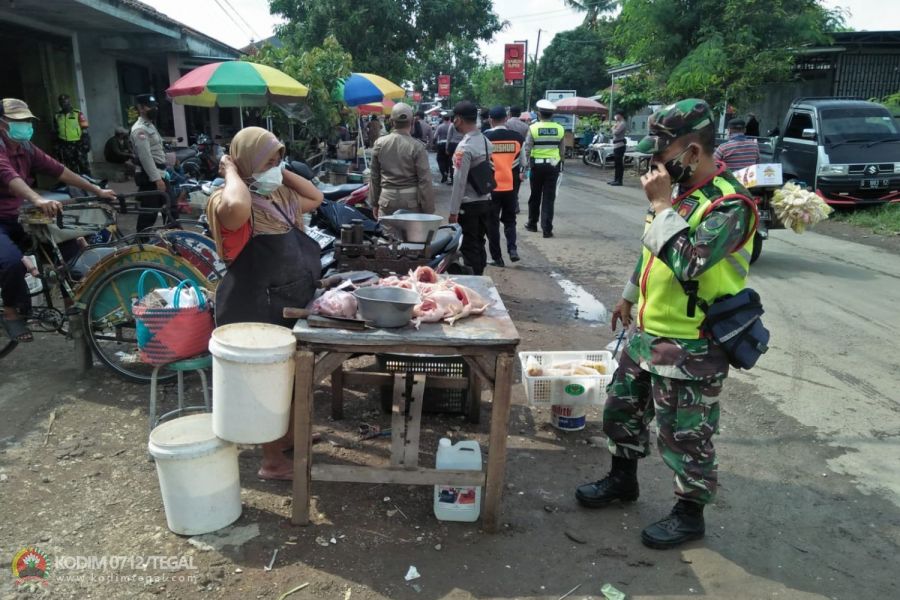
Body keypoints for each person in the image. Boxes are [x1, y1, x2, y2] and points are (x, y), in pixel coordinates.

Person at [575, 99, 758, 550]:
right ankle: (622, 479)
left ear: (693, 152)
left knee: (685, 435)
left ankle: (689, 514)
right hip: (647, 333)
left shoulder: (730, 204)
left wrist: (660, 206)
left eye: (663, 151)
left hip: (693, 344)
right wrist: (629, 295)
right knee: (622, 412)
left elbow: (689, 262)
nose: (654, 163)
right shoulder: (679, 195)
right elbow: (650, 252)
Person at [206, 126, 324, 481]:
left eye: (278, 160)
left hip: (287, 297)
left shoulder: (279, 196)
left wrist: (277, 170)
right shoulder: (228, 201)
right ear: (245, 163)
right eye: (268, 161)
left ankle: (287, 436)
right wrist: (231, 171)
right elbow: (237, 207)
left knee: (292, 375)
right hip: (255, 304)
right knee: (268, 383)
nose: (275, 167)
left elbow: (315, 197)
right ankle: (271, 461)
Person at [0, 98, 116, 343]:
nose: (25, 125)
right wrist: (37, 198)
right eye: (17, 121)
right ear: (2, 123)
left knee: (69, 250)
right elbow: (8, 176)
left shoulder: (26, 147)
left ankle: (74, 309)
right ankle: (11, 312)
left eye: (27, 120)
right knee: (11, 262)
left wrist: (96, 190)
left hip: (18, 215)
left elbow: (59, 170)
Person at [448, 101, 492, 276]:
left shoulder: (464, 147)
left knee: (468, 245)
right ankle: (480, 275)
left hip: (469, 205)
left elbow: (459, 182)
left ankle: (474, 281)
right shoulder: (485, 141)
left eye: (454, 119)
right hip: (485, 201)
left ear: (458, 120)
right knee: (479, 242)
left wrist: (453, 211)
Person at [370, 103, 435, 217]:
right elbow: (425, 181)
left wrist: (374, 203)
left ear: (391, 122)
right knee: (411, 230)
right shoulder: (417, 147)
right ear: (412, 122)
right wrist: (428, 210)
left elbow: (375, 177)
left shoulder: (379, 143)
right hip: (411, 202)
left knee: (386, 229)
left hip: (386, 200)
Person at [483, 106, 523, 267]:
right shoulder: (517, 138)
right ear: (506, 119)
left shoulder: (485, 138)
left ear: (490, 120)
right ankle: (512, 249)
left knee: (492, 223)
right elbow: (523, 162)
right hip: (511, 186)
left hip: (492, 187)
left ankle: (497, 258)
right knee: (510, 220)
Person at [522, 99, 564, 238]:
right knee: (549, 198)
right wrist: (561, 165)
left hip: (537, 167)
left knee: (535, 195)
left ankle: (532, 224)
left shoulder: (533, 128)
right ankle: (547, 229)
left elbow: (527, 149)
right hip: (553, 166)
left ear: (539, 114)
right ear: (552, 114)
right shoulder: (559, 128)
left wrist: (524, 167)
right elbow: (562, 151)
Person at [130, 94, 172, 232]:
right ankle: (141, 240)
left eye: (155, 106)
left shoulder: (150, 126)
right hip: (150, 177)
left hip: (160, 173)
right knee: (149, 213)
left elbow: (157, 148)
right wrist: (157, 179)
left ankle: (174, 237)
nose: (154, 109)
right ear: (141, 108)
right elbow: (145, 157)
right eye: (150, 107)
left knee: (171, 209)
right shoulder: (140, 129)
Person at [54, 94, 91, 176]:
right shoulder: (57, 116)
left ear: (69, 102)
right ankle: (76, 182)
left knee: (83, 164)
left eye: (65, 102)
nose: (63, 104)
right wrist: (57, 144)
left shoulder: (77, 113)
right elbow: (56, 130)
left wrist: (86, 141)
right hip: (65, 144)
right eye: (61, 102)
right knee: (71, 165)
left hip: (78, 143)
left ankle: (90, 181)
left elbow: (85, 127)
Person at [506, 107, 530, 214]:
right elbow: (526, 143)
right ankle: (515, 203)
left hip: (507, 154)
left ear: (510, 113)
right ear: (520, 114)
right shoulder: (525, 126)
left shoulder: (506, 124)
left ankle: (510, 203)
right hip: (520, 155)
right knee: (516, 181)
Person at [608, 111, 627, 186]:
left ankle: (619, 181)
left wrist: (613, 128)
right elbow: (613, 130)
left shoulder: (622, 123)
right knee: (616, 164)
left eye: (616, 114)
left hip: (620, 145)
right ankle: (616, 179)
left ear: (620, 115)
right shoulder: (618, 123)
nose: (615, 116)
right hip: (616, 145)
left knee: (619, 164)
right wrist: (614, 128)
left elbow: (616, 132)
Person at [434, 112, 452, 184]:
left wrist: (434, 143)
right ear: (450, 119)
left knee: (440, 160)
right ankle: (447, 173)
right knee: (447, 160)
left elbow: (435, 136)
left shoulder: (440, 126)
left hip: (441, 144)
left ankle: (444, 173)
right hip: (450, 144)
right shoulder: (452, 126)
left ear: (443, 119)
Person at [446, 118, 464, 186]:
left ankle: (452, 179)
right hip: (461, 145)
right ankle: (459, 179)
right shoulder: (464, 124)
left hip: (453, 145)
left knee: (452, 163)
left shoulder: (452, 125)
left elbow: (449, 137)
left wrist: (447, 147)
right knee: (460, 163)